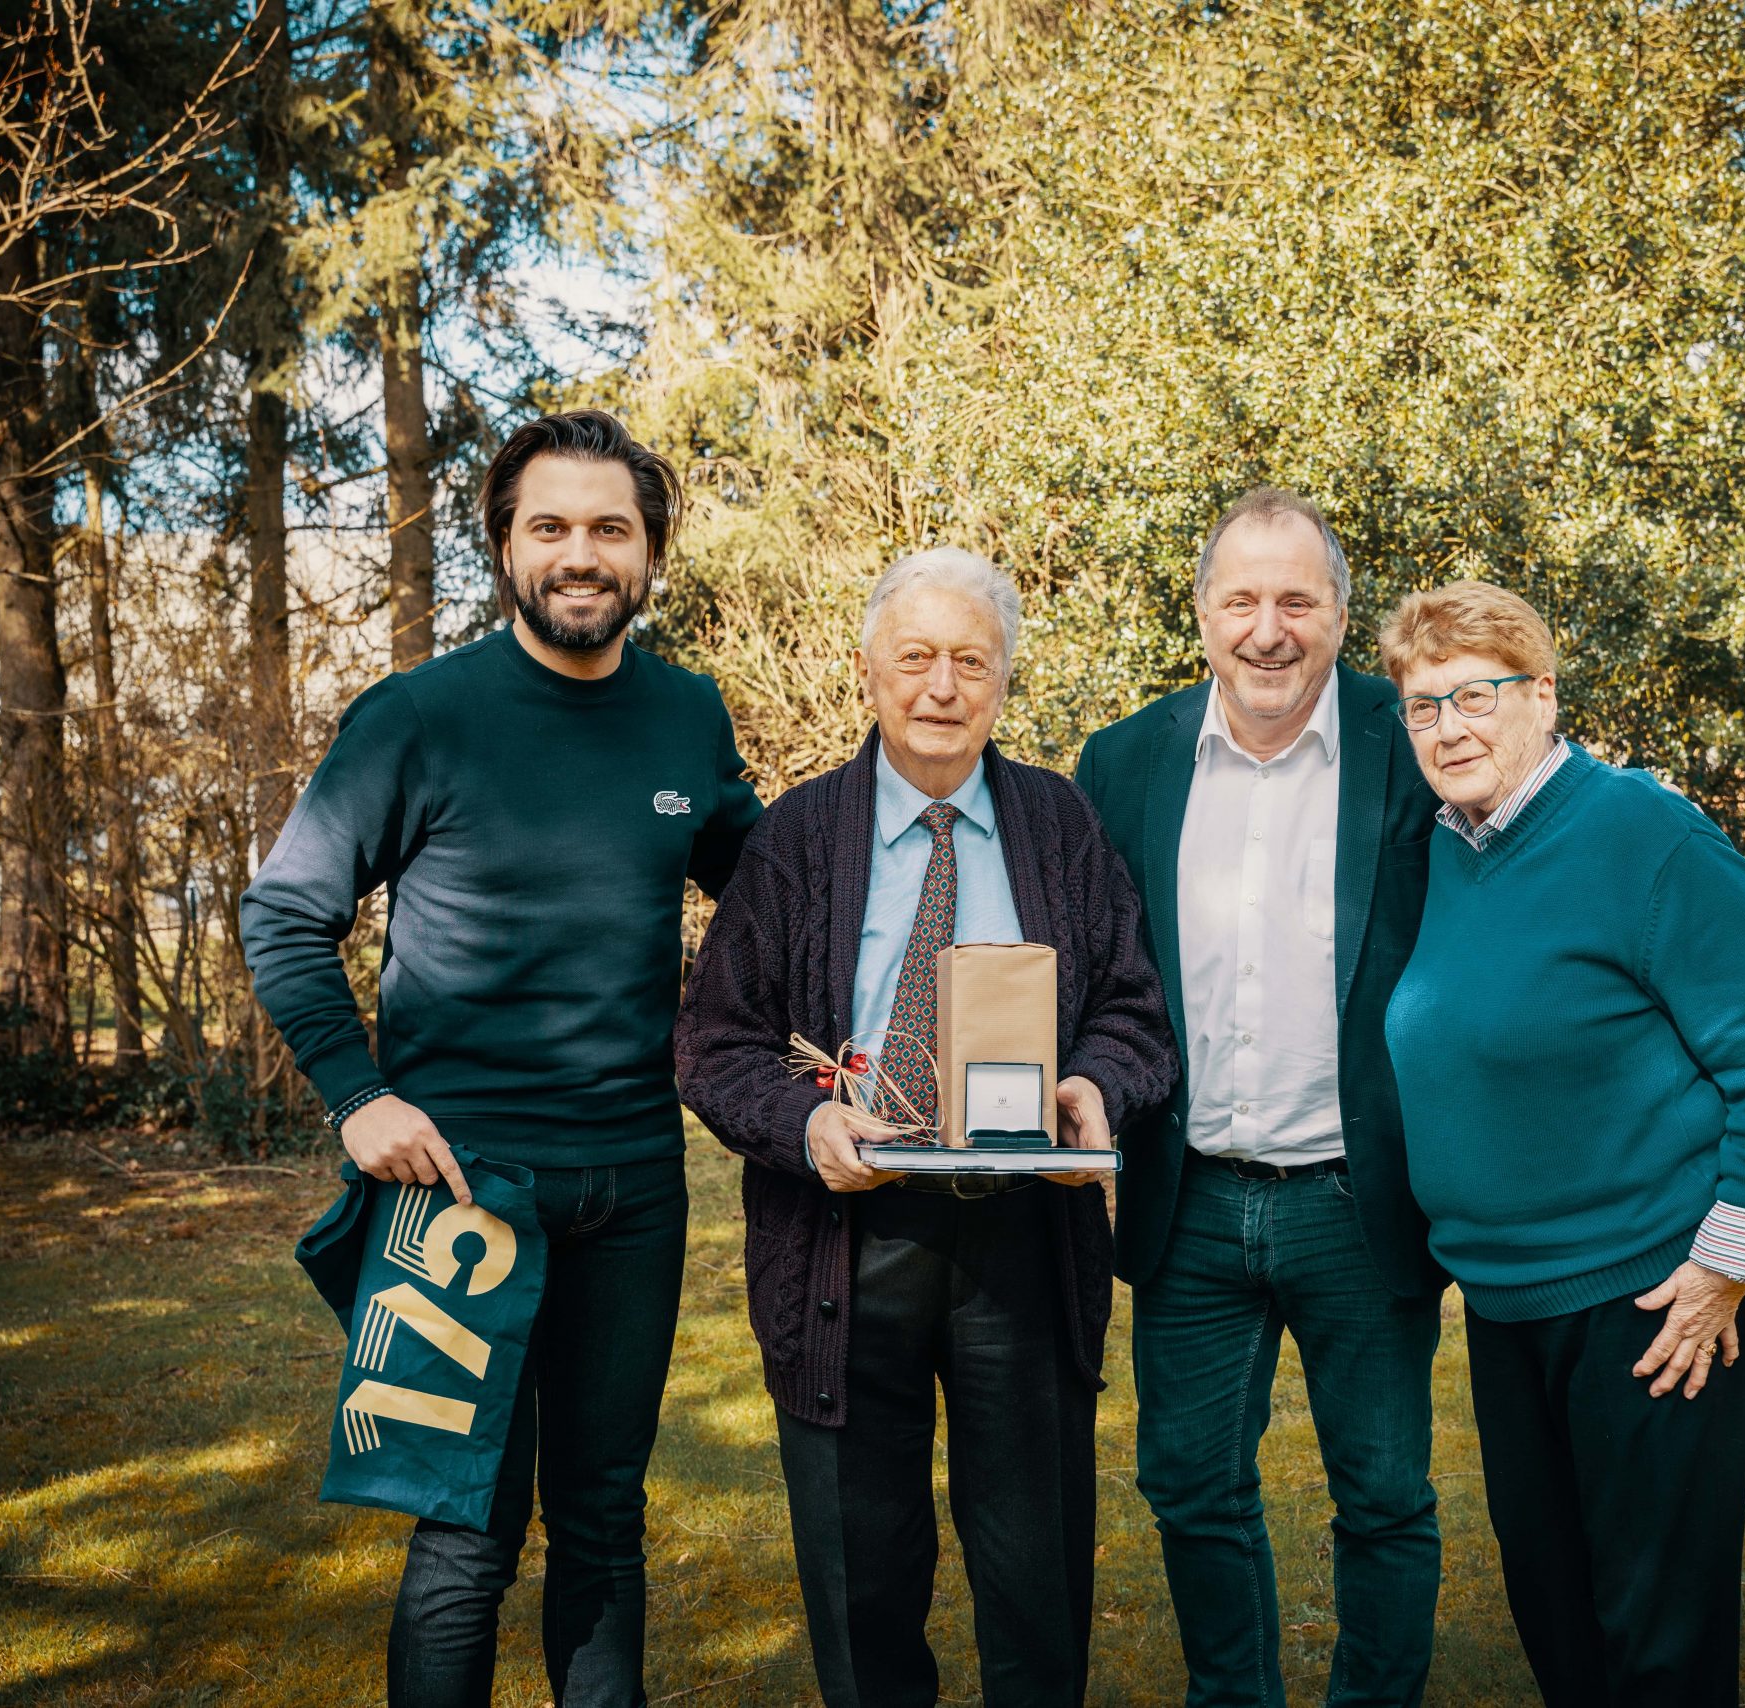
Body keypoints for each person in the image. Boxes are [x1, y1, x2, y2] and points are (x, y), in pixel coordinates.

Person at [242, 409, 762, 1708]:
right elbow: (286, 913)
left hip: (636, 1187)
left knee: (604, 1523)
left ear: (651, 554)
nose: (580, 552)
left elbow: (773, 894)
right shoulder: (420, 717)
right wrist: (357, 1098)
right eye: (551, 526)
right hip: (456, 1189)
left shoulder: (687, 719)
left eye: (609, 528)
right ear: (504, 544)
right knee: (464, 1532)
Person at [674, 547, 1176, 1708]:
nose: (942, 684)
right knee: (863, 1582)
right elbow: (714, 1041)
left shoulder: (1059, 822)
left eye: (970, 661)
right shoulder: (796, 838)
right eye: (916, 657)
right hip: (844, 1246)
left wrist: (1097, 1082)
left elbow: (1132, 1008)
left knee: (1034, 1576)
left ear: (1003, 683)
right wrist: (805, 1122)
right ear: (868, 674)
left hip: (1023, 1242)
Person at [1376, 581, 1745, 1708]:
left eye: (1473, 696)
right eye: (1422, 707)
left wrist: (1729, 1264)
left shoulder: (1642, 832)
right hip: (1506, 1297)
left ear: (1541, 695)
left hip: (1648, 1295)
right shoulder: (1441, 853)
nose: (1447, 729)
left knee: (1656, 1635)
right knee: (1557, 1614)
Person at [1074, 488, 1445, 1708]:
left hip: (1359, 1196)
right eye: (1242, 599)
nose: (1268, 628)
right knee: (1188, 1483)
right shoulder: (1125, 763)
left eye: (1297, 599)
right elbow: (1088, 969)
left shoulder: (1418, 745)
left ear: (1342, 613)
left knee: (1384, 1495)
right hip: (1188, 1200)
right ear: (1201, 614)